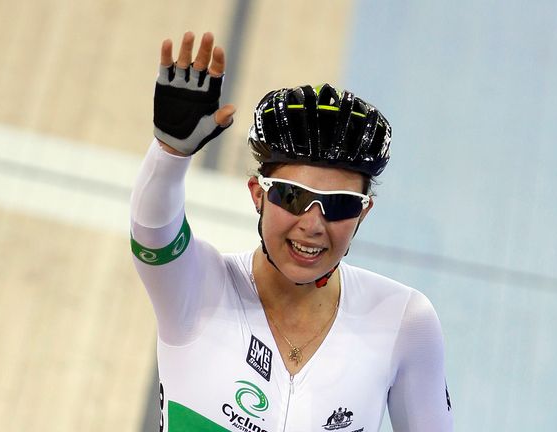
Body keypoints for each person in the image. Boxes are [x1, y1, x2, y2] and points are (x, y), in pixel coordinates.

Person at [130, 31, 453, 432]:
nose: (313, 225)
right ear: (257, 195)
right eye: (293, 197)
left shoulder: (405, 321)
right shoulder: (197, 288)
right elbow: (152, 233)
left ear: (363, 213)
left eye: (338, 204)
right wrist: (170, 154)